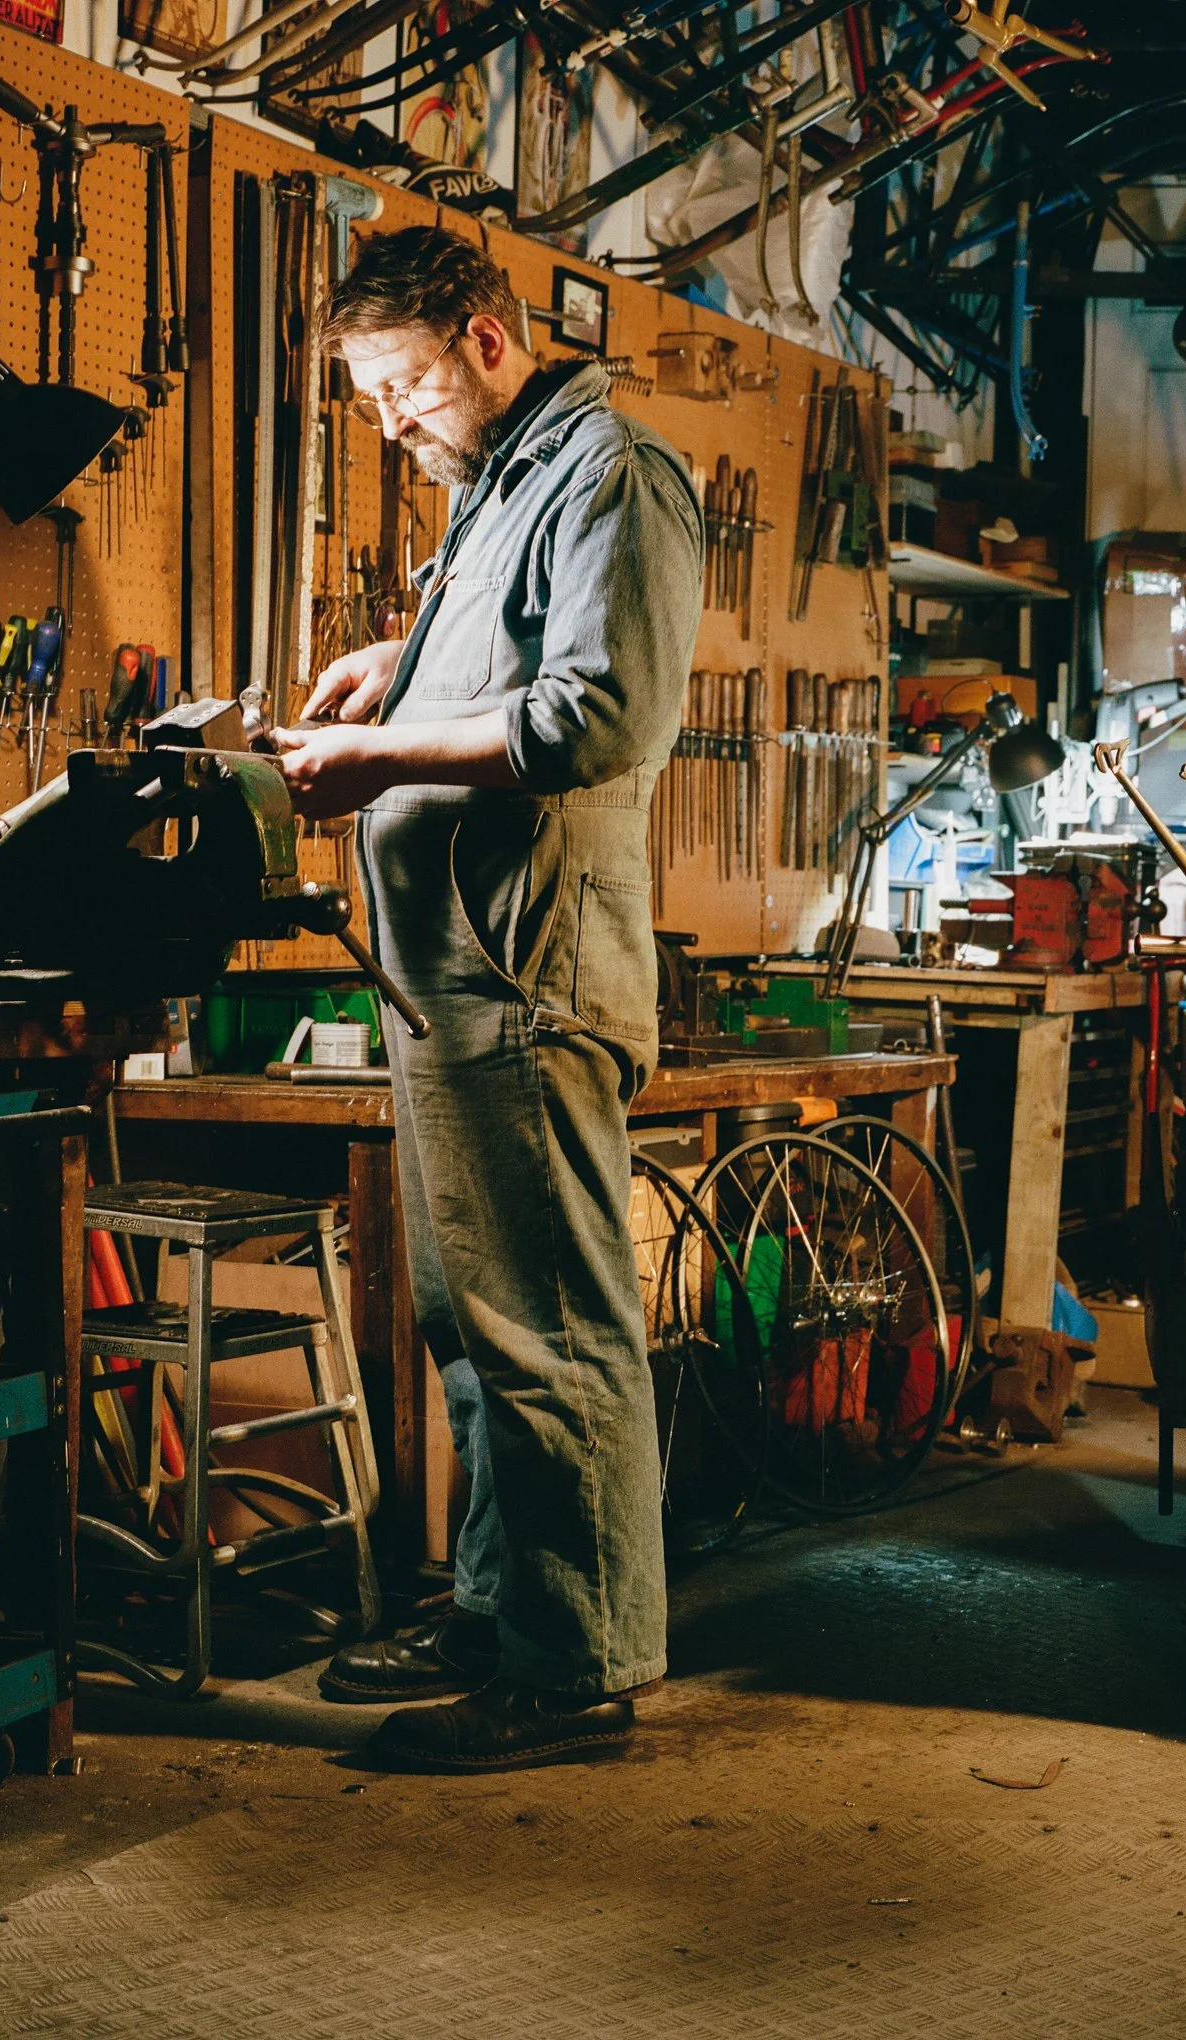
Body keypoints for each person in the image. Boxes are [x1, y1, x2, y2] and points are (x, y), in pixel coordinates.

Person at [271, 225, 701, 1772]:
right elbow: (518, 656)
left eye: (399, 383)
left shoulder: (611, 473)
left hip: (525, 971)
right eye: (368, 394)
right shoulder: (500, 485)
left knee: (553, 1327)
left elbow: (597, 711)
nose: (387, 421)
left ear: (487, 336)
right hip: (452, 979)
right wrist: (405, 660)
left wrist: (378, 757)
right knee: (474, 1322)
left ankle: (573, 1671)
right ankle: (500, 1611)